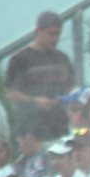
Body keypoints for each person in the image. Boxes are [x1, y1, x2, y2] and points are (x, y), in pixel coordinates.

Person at [5, 11, 75, 141]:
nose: (55, 39)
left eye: (58, 34)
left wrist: (63, 100)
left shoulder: (62, 59)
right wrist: (35, 101)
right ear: (38, 31)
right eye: (51, 34)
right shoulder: (20, 59)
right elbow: (10, 92)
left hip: (59, 126)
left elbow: (71, 86)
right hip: (31, 128)